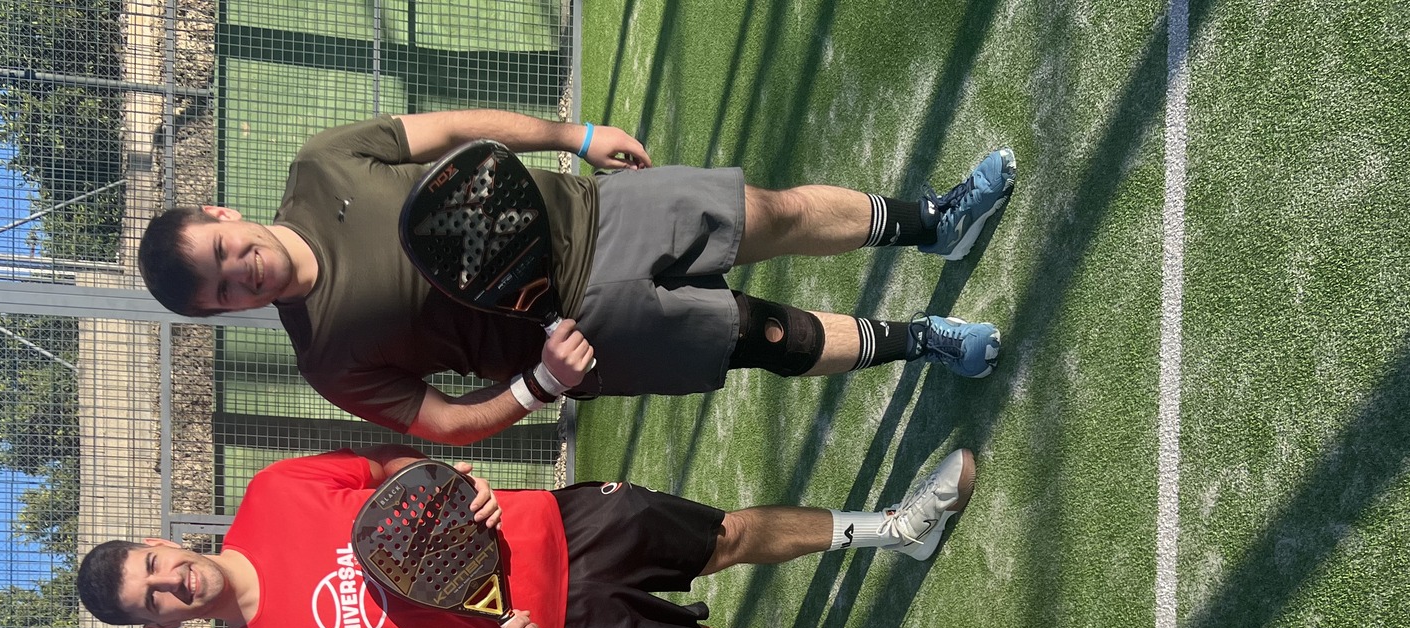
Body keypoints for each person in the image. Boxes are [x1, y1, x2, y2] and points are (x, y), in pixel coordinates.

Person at [135, 108, 1014, 442]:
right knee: (768, 335)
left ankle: (933, 223)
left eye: (223, 255)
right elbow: (444, 423)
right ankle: (920, 342)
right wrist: (539, 385)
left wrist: (575, 137)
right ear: (224, 312)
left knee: (772, 214)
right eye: (223, 292)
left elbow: (450, 132)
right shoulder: (327, 360)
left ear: (222, 214)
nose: (241, 275)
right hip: (586, 339)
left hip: (596, 214)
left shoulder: (322, 163)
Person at [75, 445, 980, 628]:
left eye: (153, 569)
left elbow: (388, 471)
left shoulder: (274, 492)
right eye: (152, 602)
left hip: (550, 525)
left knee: (728, 538)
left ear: (161, 544)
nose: (169, 586)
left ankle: (896, 529)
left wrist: (454, 478)